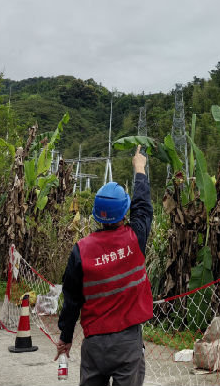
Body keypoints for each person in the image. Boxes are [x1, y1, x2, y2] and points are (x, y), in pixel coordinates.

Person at [54, 145, 154, 386]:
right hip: (128, 343)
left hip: (94, 345)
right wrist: (140, 168)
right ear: (123, 213)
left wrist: (65, 338)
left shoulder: (81, 250)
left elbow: (71, 301)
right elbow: (143, 208)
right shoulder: (135, 238)